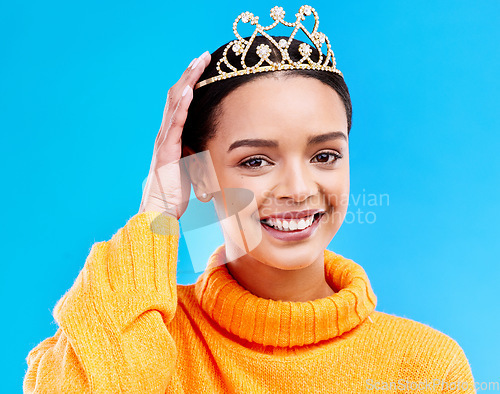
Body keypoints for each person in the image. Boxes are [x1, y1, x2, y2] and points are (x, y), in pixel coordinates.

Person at [23, 5, 476, 393]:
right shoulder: (151, 340)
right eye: (256, 161)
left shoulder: (424, 367)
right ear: (198, 171)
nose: (299, 189)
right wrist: (157, 215)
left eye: (325, 154)